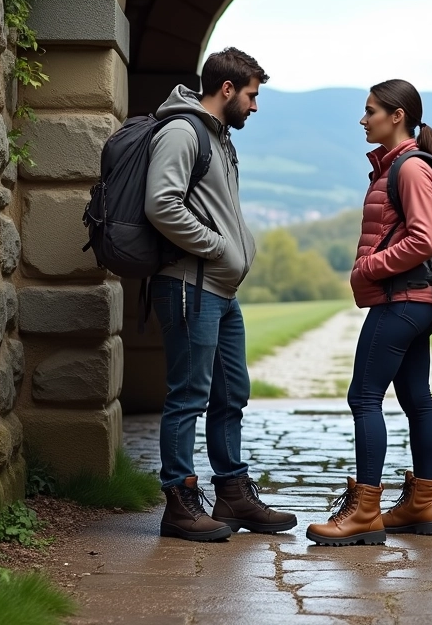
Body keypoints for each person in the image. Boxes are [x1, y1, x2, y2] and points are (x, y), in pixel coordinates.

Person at [145, 47, 297, 541]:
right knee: (188, 395)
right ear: (227, 89)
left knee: (232, 392)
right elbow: (161, 204)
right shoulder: (182, 132)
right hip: (191, 287)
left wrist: (231, 251)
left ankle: (232, 492)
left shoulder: (220, 139)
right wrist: (215, 246)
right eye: (252, 95)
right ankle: (180, 502)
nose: (255, 106)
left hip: (220, 291)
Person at [307, 79, 432, 546]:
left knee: (363, 397)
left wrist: (370, 266)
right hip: (412, 301)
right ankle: (422, 503)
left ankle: (365, 512)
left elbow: (424, 239)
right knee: (416, 399)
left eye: (370, 111)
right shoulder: (396, 167)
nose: (363, 120)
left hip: (401, 300)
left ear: (397, 115)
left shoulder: (407, 169)